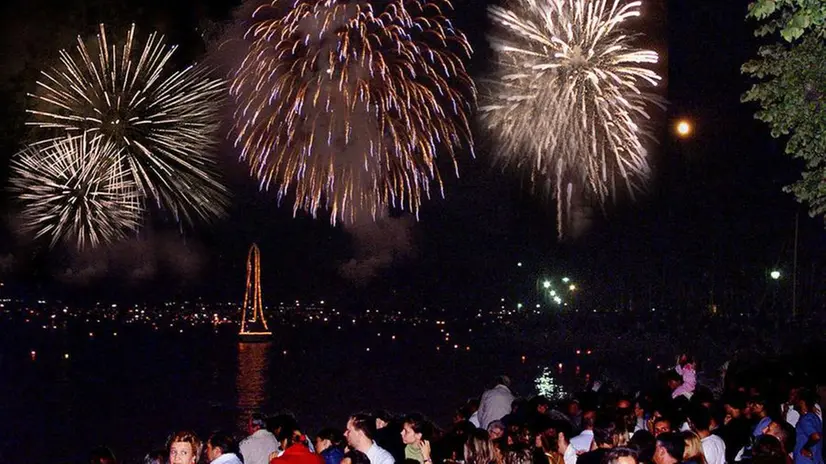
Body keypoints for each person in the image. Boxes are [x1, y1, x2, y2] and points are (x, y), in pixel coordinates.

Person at [793, 390, 823, 464]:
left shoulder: (805, 419)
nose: (794, 402)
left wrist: (805, 448)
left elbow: (816, 436)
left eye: (796, 400)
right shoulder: (814, 417)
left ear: (802, 402)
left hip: (805, 461)